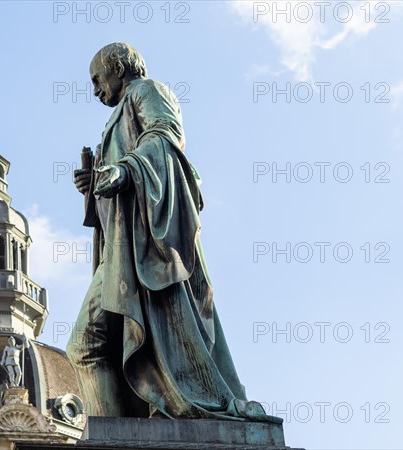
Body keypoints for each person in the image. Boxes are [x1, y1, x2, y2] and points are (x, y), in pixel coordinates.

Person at [67, 42, 277, 422]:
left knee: (87, 344)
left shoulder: (147, 91)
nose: (96, 90)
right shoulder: (116, 118)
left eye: (97, 79)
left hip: (149, 245)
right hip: (122, 249)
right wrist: (94, 185)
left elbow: (164, 137)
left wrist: (124, 170)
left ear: (117, 66)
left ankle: (121, 430)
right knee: (89, 344)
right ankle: (118, 430)